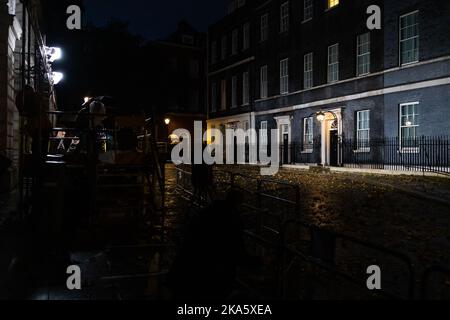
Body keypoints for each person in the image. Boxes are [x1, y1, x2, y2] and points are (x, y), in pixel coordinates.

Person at [167, 191, 259, 300]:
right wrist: (259, 261)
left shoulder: (207, 212)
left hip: (185, 273)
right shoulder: (232, 221)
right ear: (238, 204)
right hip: (210, 279)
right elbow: (237, 254)